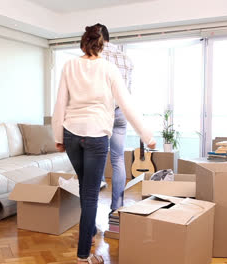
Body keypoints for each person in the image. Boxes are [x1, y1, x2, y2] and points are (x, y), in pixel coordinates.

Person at [52, 25, 156, 264]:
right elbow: (126, 104)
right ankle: (83, 256)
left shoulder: (69, 65)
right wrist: (147, 136)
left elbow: (60, 104)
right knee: (90, 194)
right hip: (96, 134)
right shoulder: (109, 68)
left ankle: (87, 233)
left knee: (85, 188)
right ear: (103, 45)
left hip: (71, 134)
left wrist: (58, 137)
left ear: (83, 43)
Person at [97, 23, 134, 213]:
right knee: (118, 159)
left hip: (102, 112)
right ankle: (117, 207)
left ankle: (91, 207)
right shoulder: (126, 59)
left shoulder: (96, 57)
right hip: (121, 112)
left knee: (97, 156)